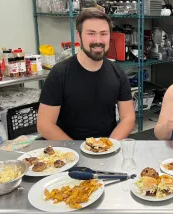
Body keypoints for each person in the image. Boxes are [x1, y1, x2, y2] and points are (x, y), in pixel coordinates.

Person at [37, 8, 135, 142]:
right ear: (79, 36)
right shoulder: (59, 74)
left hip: (107, 149)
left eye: (104, 33)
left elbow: (128, 118)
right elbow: (44, 125)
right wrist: (79, 150)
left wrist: (108, 145)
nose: (98, 40)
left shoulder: (117, 72)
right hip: (68, 150)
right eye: (91, 33)